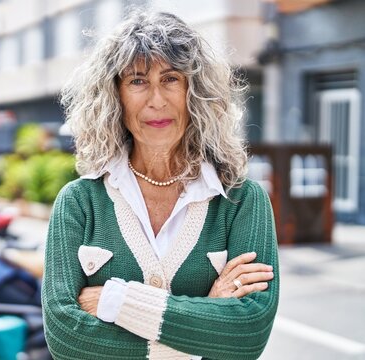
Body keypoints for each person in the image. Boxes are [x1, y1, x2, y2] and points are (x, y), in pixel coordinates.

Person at [42, 10, 279, 360]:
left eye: (170, 79)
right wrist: (204, 324)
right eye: (137, 81)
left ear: (194, 90)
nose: (156, 99)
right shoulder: (79, 202)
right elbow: (66, 339)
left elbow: (248, 334)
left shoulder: (242, 201)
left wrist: (114, 299)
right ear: (115, 95)